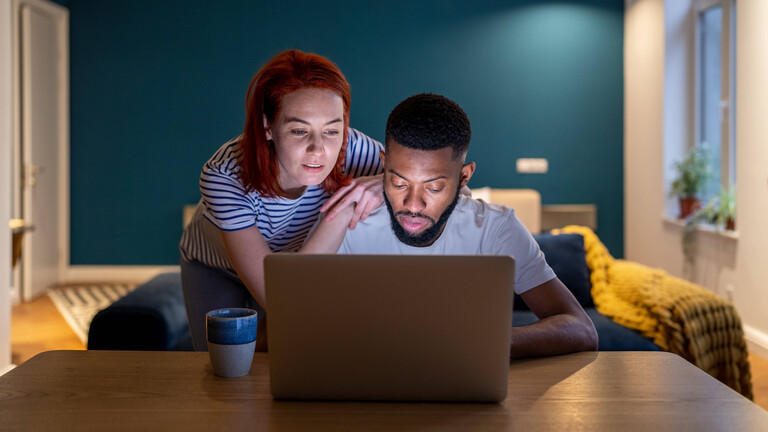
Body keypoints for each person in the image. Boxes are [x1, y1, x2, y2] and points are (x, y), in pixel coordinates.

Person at [319, 93, 598, 358]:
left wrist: (485, 344)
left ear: (464, 177)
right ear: (383, 165)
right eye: (399, 182)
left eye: (435, 187)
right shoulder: (346, 223)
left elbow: (581, 329)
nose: (413, 205)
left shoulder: (495, 228)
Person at [179, 49, 384, 351]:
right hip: (216, 268)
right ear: (267, 127)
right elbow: (285, 301)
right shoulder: (223, 176)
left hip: (295, 261)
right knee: (229, 368)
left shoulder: (351, 147)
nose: (318, 149)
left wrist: (388, 181)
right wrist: (346, 205)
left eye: (332, 129)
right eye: (300, 130)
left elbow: (449, 183)